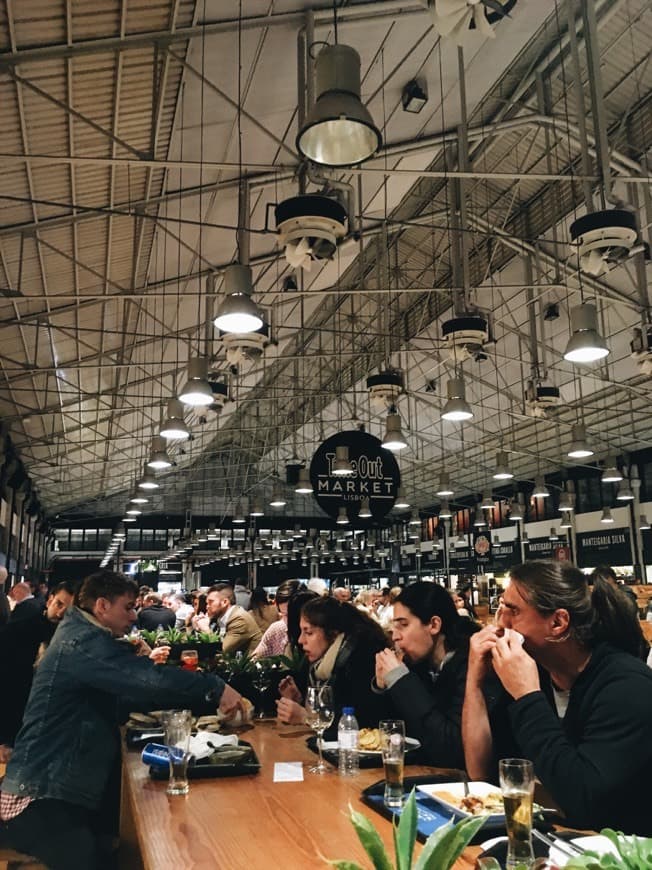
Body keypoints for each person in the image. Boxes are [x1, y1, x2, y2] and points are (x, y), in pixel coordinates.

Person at [0, 569, 243, 870]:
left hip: (57, 786)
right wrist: (214, 687)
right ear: (102, 606)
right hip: (37, 795)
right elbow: (146, 681)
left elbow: (127, 694)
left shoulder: (81, 636)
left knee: (118, 843)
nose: (133, 616)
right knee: (96, 856)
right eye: (127, 607)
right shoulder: (80, 643)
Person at [463, 560, 652, 836]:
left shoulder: (627, 687)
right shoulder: (535, 673)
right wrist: (474, 680)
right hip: (546, 842)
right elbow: (480, 770)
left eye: (513, 611)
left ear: (558, 622)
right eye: (500, 608)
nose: (501, 623)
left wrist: (527, 696)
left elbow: (583, 800)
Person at [374, 582, 479, 768]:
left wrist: (401, 681)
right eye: (393, 627)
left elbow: (450, 748)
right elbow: (385, 736)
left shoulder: (472, 664)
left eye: (403, 625)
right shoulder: (420, 665)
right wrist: (383, 687)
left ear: (434, 624)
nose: (395, 636)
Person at [276, 596, 393, 735]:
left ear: (333, 633)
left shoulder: (362, 658)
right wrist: (300, 701)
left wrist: (306, 717)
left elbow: (360, 723)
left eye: (308, 632)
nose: (301, 640)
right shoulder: (324, 664)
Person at [0, 581, 76, 760]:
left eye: (69, 609)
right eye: (59, 603)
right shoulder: (21, 628)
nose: (61, 612)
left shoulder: (70, 636)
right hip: (14, 721)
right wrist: (5, 738)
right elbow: (7, 684)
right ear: (49, 600)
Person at [193, 583, 262, 655]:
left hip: (251, 665)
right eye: (207, 603)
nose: (207, 607)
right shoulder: (220, 617)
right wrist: (198, 629)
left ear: (225, 602)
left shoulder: (239, 619)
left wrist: (205, 629)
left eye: (211, 602)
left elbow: (221, 650)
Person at [251, 580, 304, 659]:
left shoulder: (318, 632)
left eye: (293, 615)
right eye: (284, 614)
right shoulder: (277, 629)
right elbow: (254, 660)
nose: (288, 621)